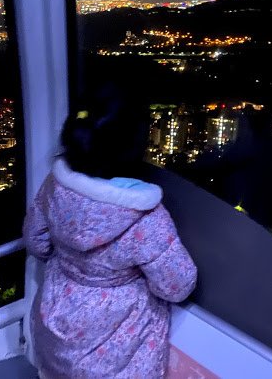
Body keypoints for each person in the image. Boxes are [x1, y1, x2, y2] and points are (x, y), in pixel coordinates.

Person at [23, 82, 197, 378]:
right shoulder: (145, 218)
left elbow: (36, 241)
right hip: (115, 357)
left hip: (54, 336)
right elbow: (177, 285)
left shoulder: (53, 188)